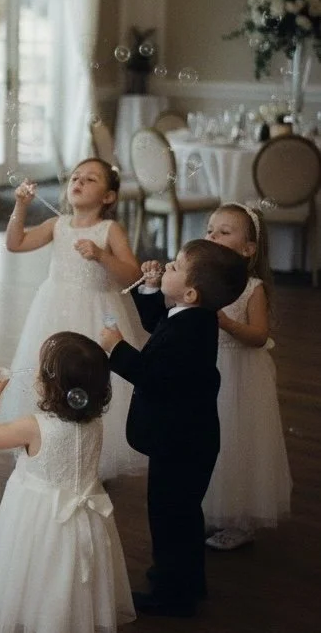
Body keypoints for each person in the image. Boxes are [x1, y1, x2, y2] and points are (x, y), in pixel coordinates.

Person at [99, 239, 249, 618]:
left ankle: (172, 595)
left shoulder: (192, 332)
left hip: (181, 443)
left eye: (175, 267)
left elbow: (153, 376)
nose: (165, 265)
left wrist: (116, 348)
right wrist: (151, 288)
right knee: (180, 514)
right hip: (186, 439)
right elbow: (156, 322)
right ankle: (185, 579)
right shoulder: (190, 316)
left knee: (169, 517)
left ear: (191, 292)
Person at [0, 332, 136, 633]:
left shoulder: (34, 427)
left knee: (38, 572)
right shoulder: (94, 423)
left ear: (52, 386)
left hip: (39, 519)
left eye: (41, 369)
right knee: (71, 578)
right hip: (84, 518)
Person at [0, 158, 148, 480]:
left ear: (108, 197)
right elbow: (15, 243)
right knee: (50, 372)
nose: (79, 182)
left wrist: (101, 255)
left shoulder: (110, 229)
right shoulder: (58, 224)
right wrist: (21, 206)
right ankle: (49, 441)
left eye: (90, 179)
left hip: (95, 313)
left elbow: (133, 275)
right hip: (54, 309)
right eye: (76, 177)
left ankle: (95, 453)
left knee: (91, 376)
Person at [202, 203, 292, 550]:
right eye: (210, 230)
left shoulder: (251, 287)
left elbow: (258, 336)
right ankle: (208, 505)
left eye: (225, 232)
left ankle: (239, 518)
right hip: (206, 369)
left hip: (239, 374)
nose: (213, 236)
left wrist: (227, 323)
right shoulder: (200, 278)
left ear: (248, 249)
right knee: (207, 438)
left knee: (235, 439)